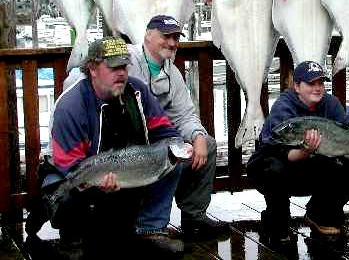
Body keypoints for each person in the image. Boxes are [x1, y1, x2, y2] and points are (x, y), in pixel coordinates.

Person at [46, 37, 186, 255]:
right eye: (113, 67)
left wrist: (180, 145)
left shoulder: (137, 91)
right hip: (72, 173)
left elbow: (165, 130)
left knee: (172, 161)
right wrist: (95, 182)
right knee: (66, 194)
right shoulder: (71, 106)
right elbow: (68, 164)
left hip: (123, 170)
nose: (121, 73)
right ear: (92, 69)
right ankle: (73, 237)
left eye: (124, 66)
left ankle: (150, 229)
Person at [246, 61, 349, 244]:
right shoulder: (283, 106)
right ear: (297, 86)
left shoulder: (331, 103)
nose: (317, 88)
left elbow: (348, 132)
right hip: (275, 169)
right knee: (274, 169)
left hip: (312, 166)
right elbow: (285, 155)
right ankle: (277, 220)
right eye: (311, 84)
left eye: (320, 83)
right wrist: (306, 149)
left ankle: (320, 212)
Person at [127, 14, 229, 237]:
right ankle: (148, 227)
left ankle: (194, 217)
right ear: (147, 36)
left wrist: (198, 137)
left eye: (176, 37)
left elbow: (185, 115)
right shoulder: (128, 60)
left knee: (208, 145)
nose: (172, 43)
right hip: (129, 142)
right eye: (166, 36)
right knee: (167, 154)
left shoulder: (172, 72)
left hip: (159, 139)